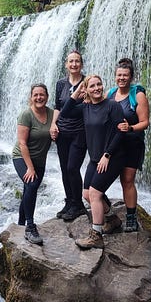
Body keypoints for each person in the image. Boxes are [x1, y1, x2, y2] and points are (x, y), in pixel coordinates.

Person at [60, 74, 126, 250]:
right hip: (95, 158)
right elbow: (65, 112)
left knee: (95, 194)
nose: (96, 88)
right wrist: (77, 92)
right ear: (86, 90)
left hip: (112, 157)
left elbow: (121, 132)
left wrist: (108, 154)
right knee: (86, 194)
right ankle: (111, 219)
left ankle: (96, 235)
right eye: (92, 86)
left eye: (99, 85)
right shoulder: (85, 108)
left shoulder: (112, 105)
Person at [107, 58, 149, 232]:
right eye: (119, 75)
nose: (121, 78)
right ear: (115, 76)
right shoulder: (110, 94)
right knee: (101, 179)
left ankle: (131, 218)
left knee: (127, 181)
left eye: (125, 75)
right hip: (113, 145)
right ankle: (109, 214)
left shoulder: (137, 95)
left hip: (132, 143)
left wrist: (130, 127)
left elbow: (145, 122)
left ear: (131, 77)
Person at [13, 83, 54, 245]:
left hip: (39, 160)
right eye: (36, 95)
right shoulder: (26, 115)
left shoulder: (52, 114)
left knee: (29, 188)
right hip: (22, 157)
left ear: (47, 96)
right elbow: (22, 143)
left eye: (42, 94)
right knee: (31, 184)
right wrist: (30, 168)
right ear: (31, 97)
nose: (39, 98)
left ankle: (21, 223)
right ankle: (30, 226)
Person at [50, 50, 88, 222]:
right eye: (71, 61)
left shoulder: (87, 82)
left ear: (81, 64)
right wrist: (53, 124)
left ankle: (78, 204)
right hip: (62, 132)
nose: (74, 64)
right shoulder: (60, 84)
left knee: (73, 167)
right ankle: (69, 201)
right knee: (65, 168)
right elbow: (58, 106)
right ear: (66, 64)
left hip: (80, 132)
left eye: (77, 61)